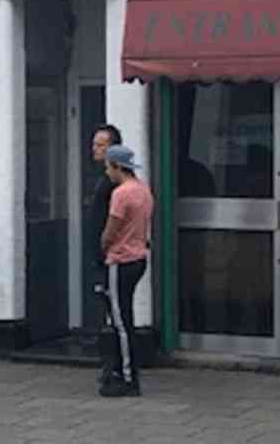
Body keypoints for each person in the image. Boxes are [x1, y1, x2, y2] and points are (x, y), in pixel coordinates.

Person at [99, 145, 153, 398]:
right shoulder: (143, 190)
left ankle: (129, 377)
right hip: (139, 258)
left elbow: (111, 229)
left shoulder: (121, 194)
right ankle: (124, 372)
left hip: (120, 261)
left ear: (118, 167)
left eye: (108, 167)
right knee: (126, 316)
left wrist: (102, 246)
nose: (107, 172)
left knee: (121, 323)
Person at [87, 124, 122, 383]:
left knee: (115, 313)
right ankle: (110, 364)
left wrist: (104, 247)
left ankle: (115, 367)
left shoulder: (114, 183)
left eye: (101, 145)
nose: (95, 149)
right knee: (109, 310)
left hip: (110, 255)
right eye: (95, 144)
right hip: (101, 254)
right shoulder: (102, 178)